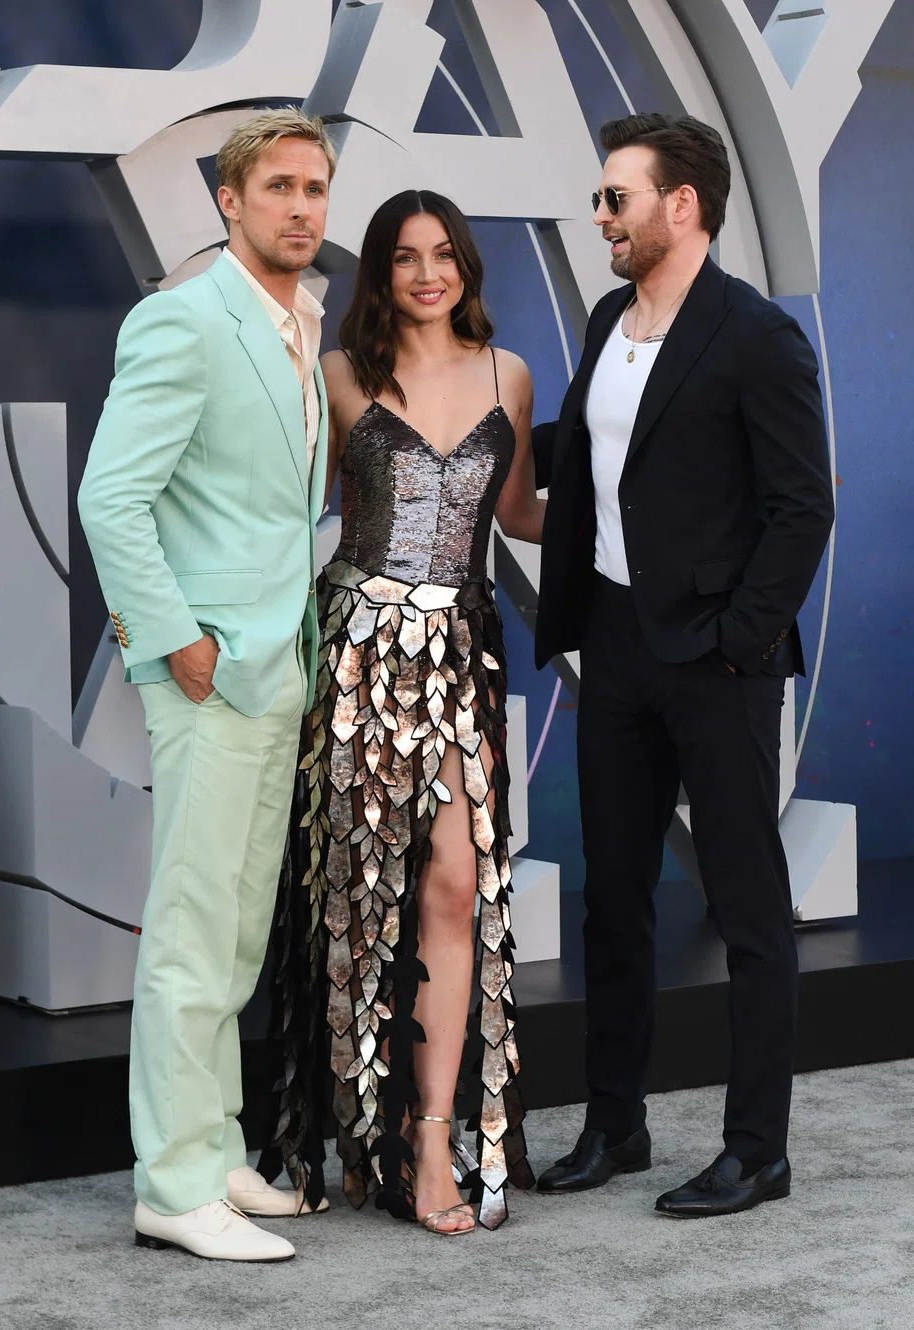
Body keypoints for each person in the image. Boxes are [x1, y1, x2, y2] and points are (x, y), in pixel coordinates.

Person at [532, 113, 834, 1217]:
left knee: (749, 911)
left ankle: (758, 1148)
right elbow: (586, 453)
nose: (601, 216)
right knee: (613, 902)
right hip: (613, 652)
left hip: (718, 665)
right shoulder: (612, 317)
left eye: (617, 197)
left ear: (682, 205)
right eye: (602, 198)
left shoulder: (756, 337)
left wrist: (737, 641)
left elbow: (804, 508)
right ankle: (617, 1122)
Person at [77, 108, 338, 1261]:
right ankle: (171, 1186)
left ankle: (213, 1148)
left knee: (234, 931)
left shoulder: (300, 320)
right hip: (209, 671)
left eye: (315, 188)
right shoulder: (182, 320)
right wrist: (172, 640)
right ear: (230, 202)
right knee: (191, 929)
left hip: (278, 662)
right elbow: (108, 498)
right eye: (277, 186)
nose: (299, 206)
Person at [261, 189, 544, 1233]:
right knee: (354, 894)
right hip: (358, 654)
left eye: (445, 255)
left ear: (466, 264)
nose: (429, 274)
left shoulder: (507, 374)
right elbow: (285, 508)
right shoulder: (337, 375)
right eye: (406, 258)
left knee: (457, 886)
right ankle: (354, 1123)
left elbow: (518, 515)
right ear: (382, 273)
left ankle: (433, 1133)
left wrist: (681, 508)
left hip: (463, 653)